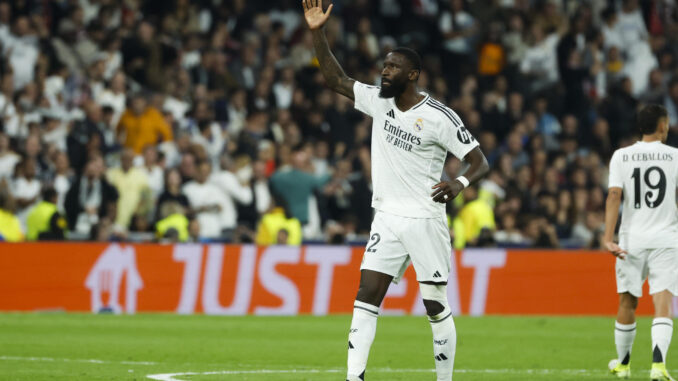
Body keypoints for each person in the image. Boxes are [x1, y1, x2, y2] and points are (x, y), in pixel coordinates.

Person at [302, 2, 490, 380]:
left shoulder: (440, 117)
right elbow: (336, 80)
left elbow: (480, 161)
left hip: (425, 218)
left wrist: (459, 182)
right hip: (387, 217)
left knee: (435, 305)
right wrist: (317, 31)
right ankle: (354, 378)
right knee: (365, 296)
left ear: (413, 74)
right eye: (384, 65)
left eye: (392, 67)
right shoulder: (378, 100)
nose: (384, 71)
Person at [604, 104, 678, 380]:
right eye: (667, 123)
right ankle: (658, 366)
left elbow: (614, 196)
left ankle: (623, 365)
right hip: (665, 239)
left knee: (627, 302)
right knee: (662, 302)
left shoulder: (621, 156)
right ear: (661, 126)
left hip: (631, 240)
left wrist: (607, 237)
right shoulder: (675, 157)